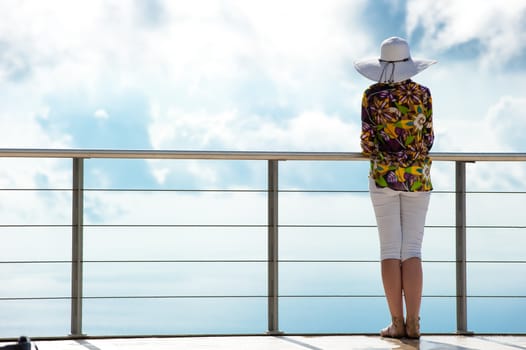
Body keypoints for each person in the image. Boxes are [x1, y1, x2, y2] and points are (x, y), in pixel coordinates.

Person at [354, 37, 436, 339]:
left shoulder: (372, 97)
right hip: (417, 177)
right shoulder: (423, 95)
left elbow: (367, 143)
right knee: (412, 251)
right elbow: (427, 139)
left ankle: (396, 323)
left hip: (383, 177)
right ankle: (414, 323)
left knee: (390, 250)